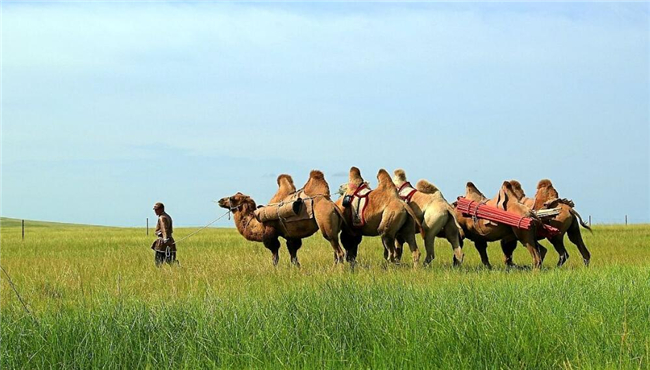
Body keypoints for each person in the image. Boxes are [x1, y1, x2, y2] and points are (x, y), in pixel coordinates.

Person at [151, 202, 176, 266]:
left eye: (157, 209)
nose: (155, 211)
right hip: (170, 241)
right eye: (155, 209)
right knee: (171, 262)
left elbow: (164, 229)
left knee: (158, 263)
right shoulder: (167, 216)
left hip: (162, 243)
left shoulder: (162, 218)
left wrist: (165, 238)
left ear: (161, 209)